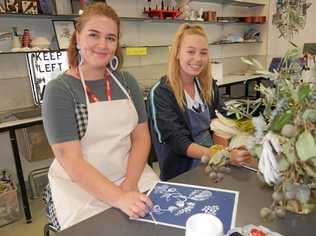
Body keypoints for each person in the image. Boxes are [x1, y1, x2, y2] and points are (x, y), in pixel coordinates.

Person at [42, 3, 158, 230]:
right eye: (94, 35)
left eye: (111, 38)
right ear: (77, 38)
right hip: (80, 189)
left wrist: (129, 185)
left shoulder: (127, 83)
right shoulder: (60, 90)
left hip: (130, 176)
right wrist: (118, 197)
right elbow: (70, 159)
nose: (102, 45)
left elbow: (142, 138)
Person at [148, 24, 252, 181]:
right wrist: (223, 156)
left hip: (213, 164)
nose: (197, 58)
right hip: (182, 174)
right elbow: (179, 142)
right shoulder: (161, 93)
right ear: (176, 53)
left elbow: (220, 124)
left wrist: (225, 154)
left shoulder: (208, 85)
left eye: (203, 53)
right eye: (190, 51)